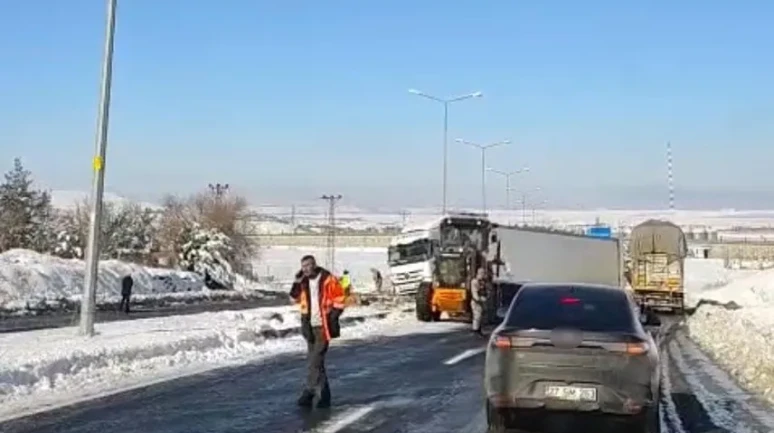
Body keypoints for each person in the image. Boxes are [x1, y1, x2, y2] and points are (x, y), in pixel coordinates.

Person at [289, 255, 347, 409]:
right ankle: (324, 396)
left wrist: (332, 317)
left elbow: (340, 299)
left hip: (323, 326)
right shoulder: (303, 281)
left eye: (308, 265)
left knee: (316, 361)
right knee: (315, 363)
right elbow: (293, 298)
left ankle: (310, 392)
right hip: (309, 326)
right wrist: (296, 282)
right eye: (303, 266)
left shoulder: (328, 279)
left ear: (314, 265)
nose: (305, 269)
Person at [470, 267, 487, 336]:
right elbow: (475, 294)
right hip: (476, 302)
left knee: (481, 317)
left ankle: (479, 330)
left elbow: (485, 291)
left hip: (481, 302)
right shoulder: (475, 281)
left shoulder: (482, 282)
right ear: (479, 273)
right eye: (483, 273)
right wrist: (479, 299)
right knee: (477, 316)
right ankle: (475, 331)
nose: (484, 275)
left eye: (484, 273)